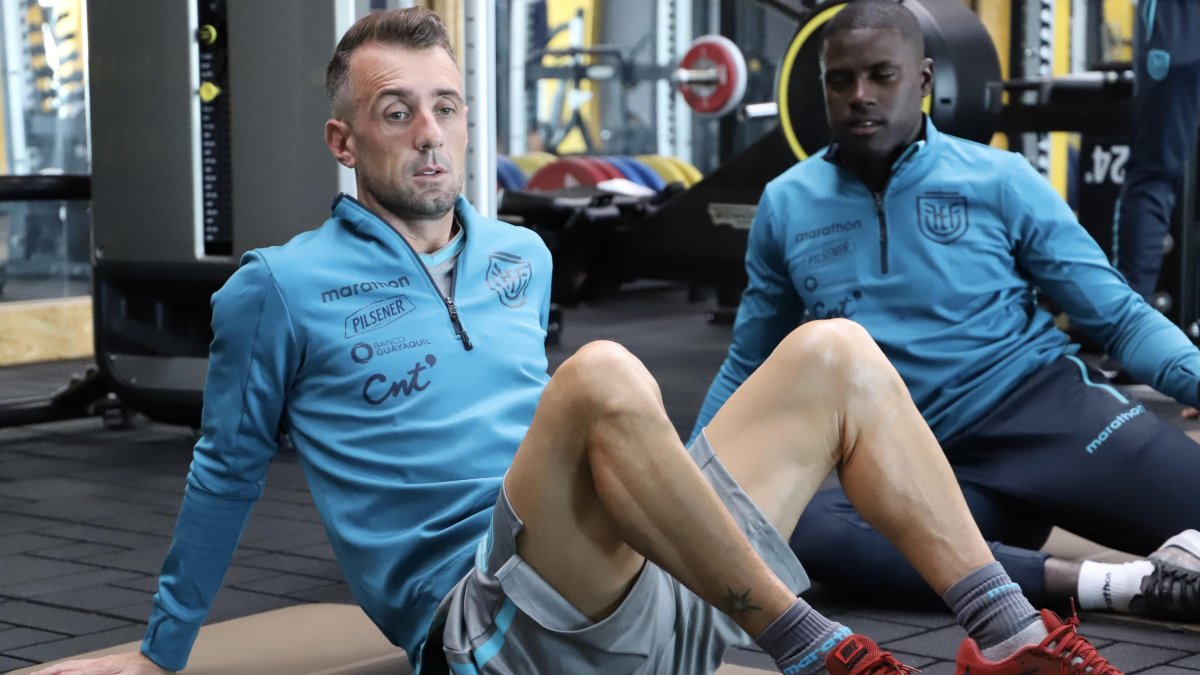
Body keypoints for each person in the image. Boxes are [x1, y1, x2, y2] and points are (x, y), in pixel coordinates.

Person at [35, 8, 1119, 675]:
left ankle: (1006, 634)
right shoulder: (276, 288)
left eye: (446, 108)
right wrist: (157, 653)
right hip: (487, 637)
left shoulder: (523, 257)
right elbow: (223, 472)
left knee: (834, 348)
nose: (428, 134)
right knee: (601, 374)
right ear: (342, 137)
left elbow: (579, 449)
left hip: (629, 596)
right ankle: (806, 648)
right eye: (396, 110)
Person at [694, 0, 1200, 635]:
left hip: (1052, 421)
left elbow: (1120, 319)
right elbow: (749, 361)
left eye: (883, 75)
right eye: (841, 80)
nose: (860, 96)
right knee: (807, 531)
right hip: (920, 463)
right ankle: (1117, 586)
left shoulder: (999, 179)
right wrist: (687, 481)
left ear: (924, 80)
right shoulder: (787, 204)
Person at [1113, 0, 1200, 303]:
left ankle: (1129, 324)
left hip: (1179, 26)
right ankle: (1130, 319)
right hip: (1180, 26)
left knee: (1154, 173)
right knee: (1155, 173)